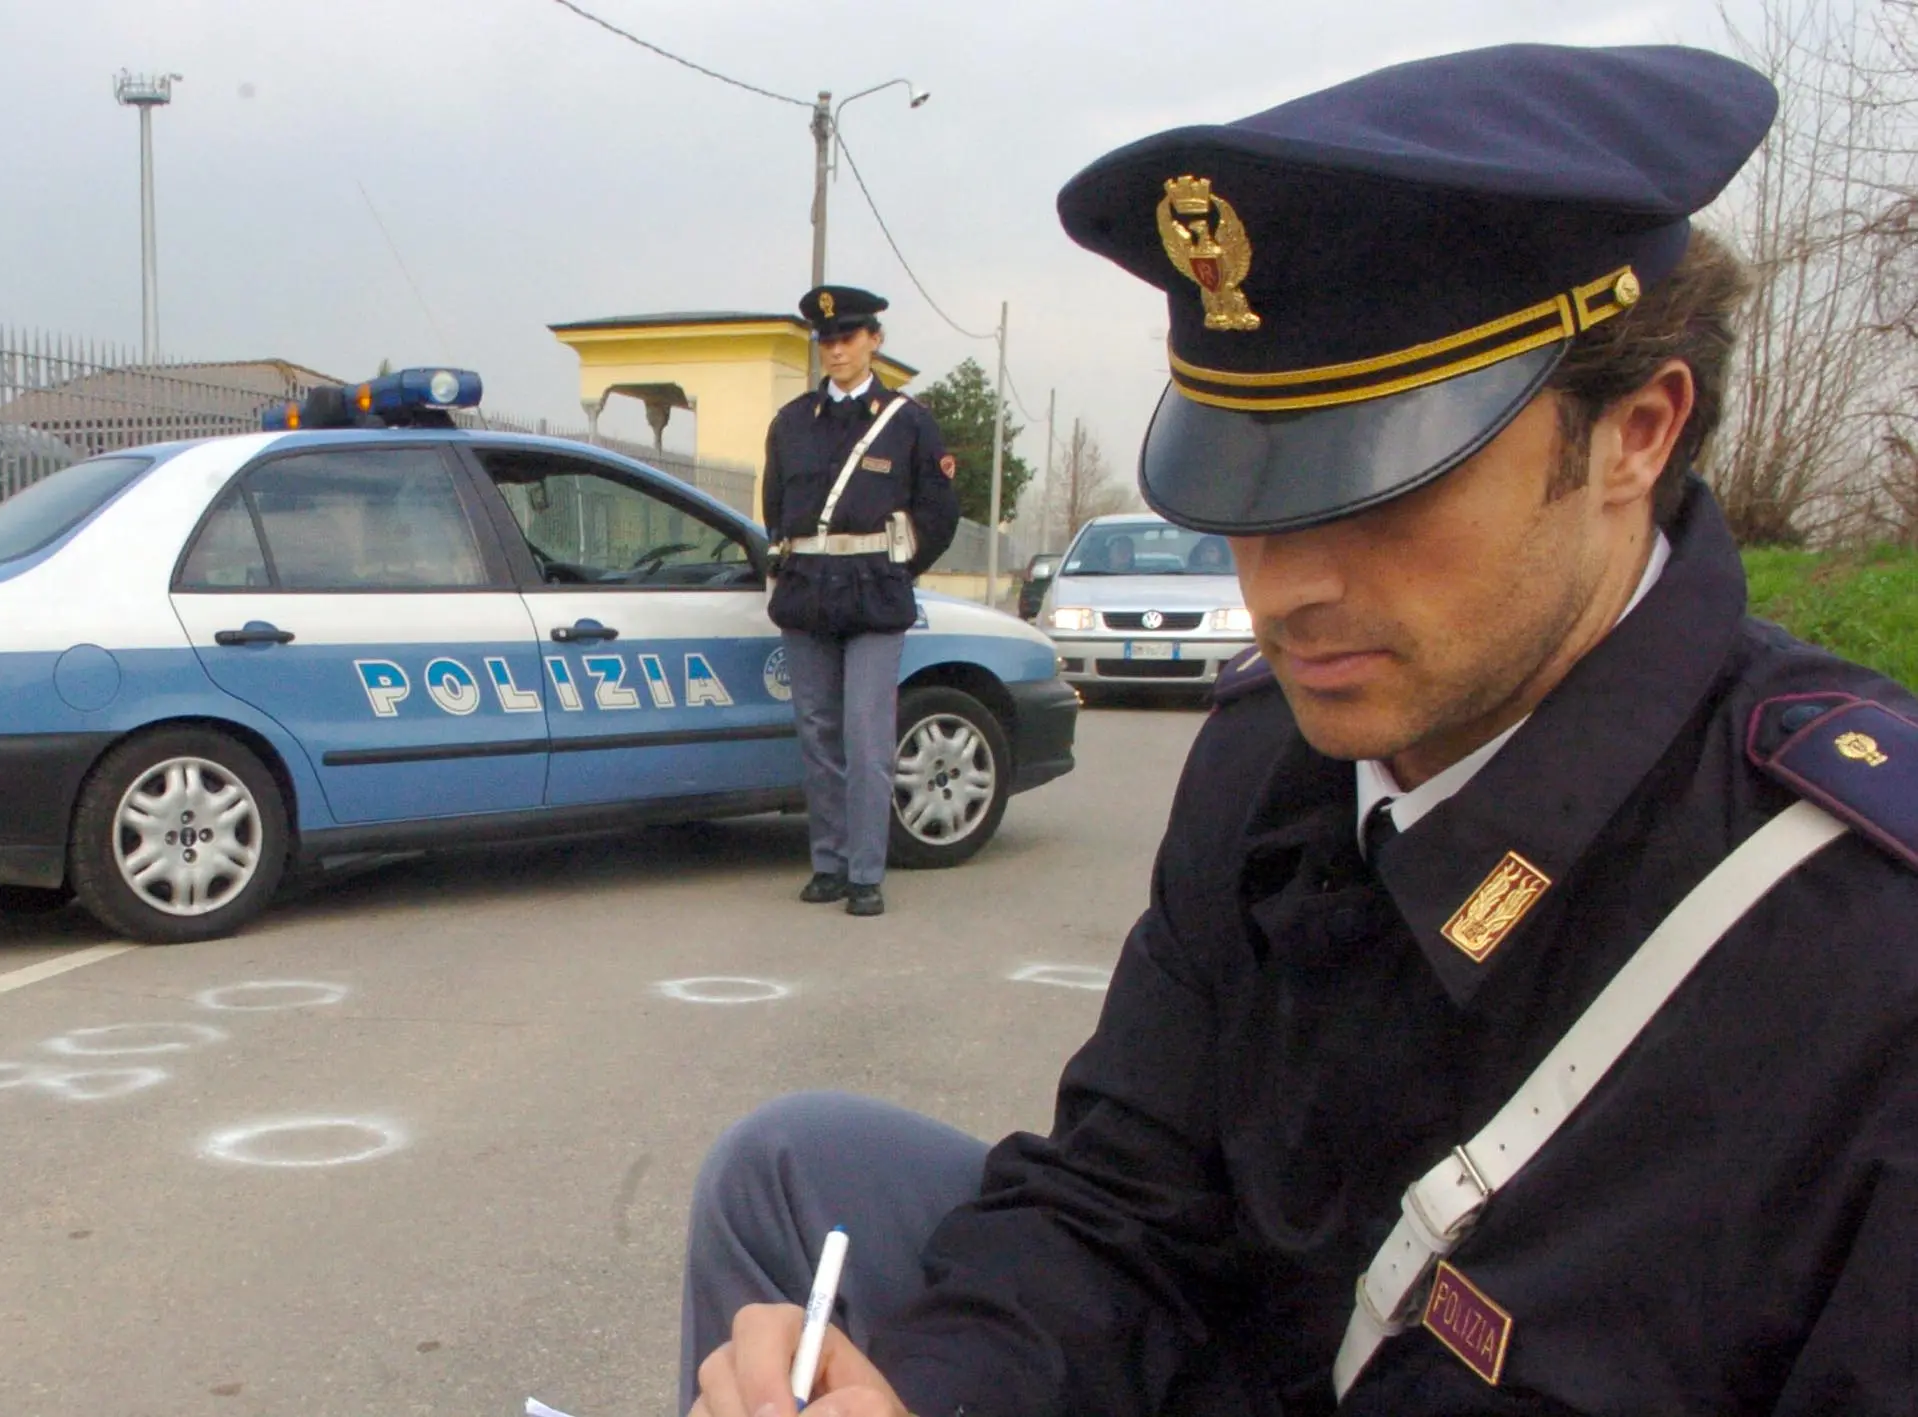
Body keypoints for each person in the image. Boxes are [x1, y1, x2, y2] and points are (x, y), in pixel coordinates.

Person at [681, 43, 1918, 1415]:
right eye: (1252, 485)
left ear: (1634, 429)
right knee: (793, 1168)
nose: (1286, 587)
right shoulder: (1277, 751)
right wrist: (928, 1394)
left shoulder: (1852, 933)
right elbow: (1123, 1197)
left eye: (1386, 485)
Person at [762, 285, 958, 918]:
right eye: (826, 341)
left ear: (874, 340)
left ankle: (866, 873)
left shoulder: (908, 422)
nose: (835, 350)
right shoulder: (791, 423)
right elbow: (776, 512)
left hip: (874, 593)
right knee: (818, 734)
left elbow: (939, 511)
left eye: (847, 338)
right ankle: (829, 863)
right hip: (809, 593)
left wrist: (897, 568)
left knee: (868, 737)